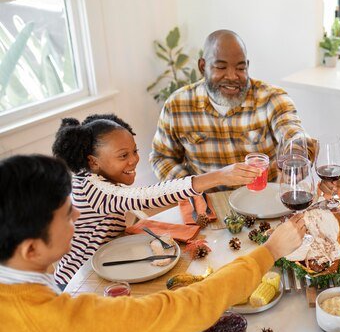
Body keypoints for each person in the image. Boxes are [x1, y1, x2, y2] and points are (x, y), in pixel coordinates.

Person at [0, 154, 305, 332]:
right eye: (67, 214)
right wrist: (271, 250)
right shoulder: (69, 325)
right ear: (31, 249)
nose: (77, 214)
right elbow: (191, 307)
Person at [51, 114, 260, 285]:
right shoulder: (94, 189)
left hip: (105, 260)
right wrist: (218, 176)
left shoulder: (92, 178)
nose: (133, 160)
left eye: (134, 151)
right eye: (123, 156)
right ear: (93, 162)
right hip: (77, 278)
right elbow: (146, 197)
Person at [150, 29, 312, 188]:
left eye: (240, 68)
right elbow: (161, 157)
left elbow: (295, 135)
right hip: (208, 205)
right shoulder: (177, 105)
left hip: (264, 199)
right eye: (221, 67)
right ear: (202, 67)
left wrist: (296, 155)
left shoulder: (272, 97)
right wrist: (192, 188)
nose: (232, 76)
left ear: (247, 66)